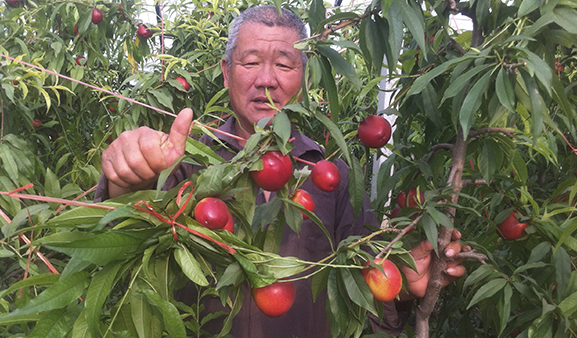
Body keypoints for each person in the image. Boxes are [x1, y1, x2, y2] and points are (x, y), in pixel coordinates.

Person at [96, 5, 466, 337]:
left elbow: (362, 287)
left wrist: (399, 285)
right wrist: (128, 179)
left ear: (304, 79)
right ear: (226, 73)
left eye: (285, 65)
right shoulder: (185, 162)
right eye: (251, 62)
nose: (267, 80)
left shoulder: (333, 176)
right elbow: (121, 241)